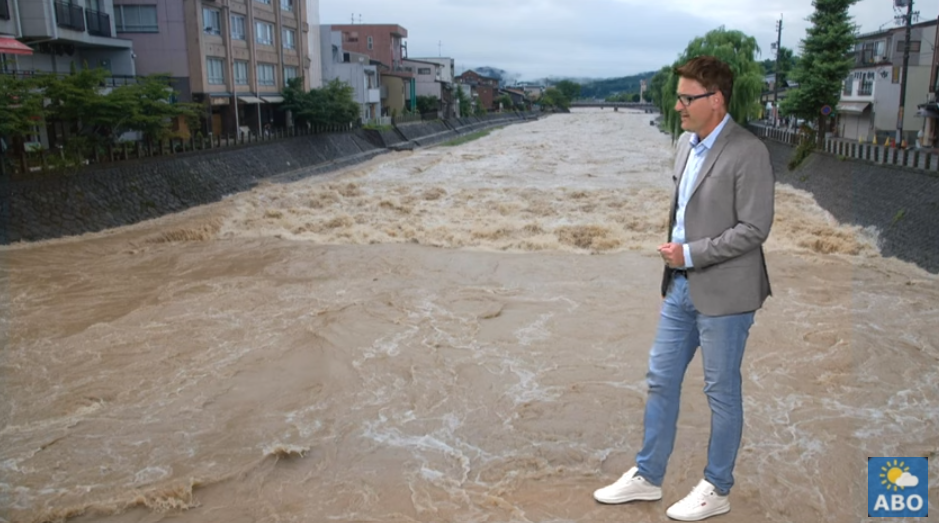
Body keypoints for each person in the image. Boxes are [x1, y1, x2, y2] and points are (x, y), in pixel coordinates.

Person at [593, 55, 775, 521]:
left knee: (721, 392)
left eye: (685, 97)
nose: (677, 105)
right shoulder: (685, 145)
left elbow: (755, 228)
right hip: (680, 289)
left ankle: (717, 486)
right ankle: (648, 476)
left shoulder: (748, 151)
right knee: (661, 380)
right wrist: (677, 266)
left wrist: (689, 253)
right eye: (678, 96)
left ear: (715, 100)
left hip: (727, 294)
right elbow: (681, 214)